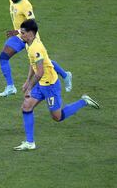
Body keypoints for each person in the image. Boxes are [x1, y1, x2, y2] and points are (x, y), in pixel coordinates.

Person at [13, 19, 100, 151]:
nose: (21, 35)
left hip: (50, 86)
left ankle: (84, 101)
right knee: (26, 107)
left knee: (57, 117)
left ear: (31, 34)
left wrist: (29, 87)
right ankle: (30, 142)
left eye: (23, 33)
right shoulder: (29, 44)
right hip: (42, 83)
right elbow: (33, 64)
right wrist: (27, 81)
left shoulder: (35, 48)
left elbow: (40, 72)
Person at [0, 0, 72, 97]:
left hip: (30, 37)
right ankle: (10, 87)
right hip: (19, 36)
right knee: (3, 57)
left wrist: (18, 31)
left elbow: (32, 22)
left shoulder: (26, 5)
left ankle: (65, 75)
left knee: (42, 62)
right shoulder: (11, 1)